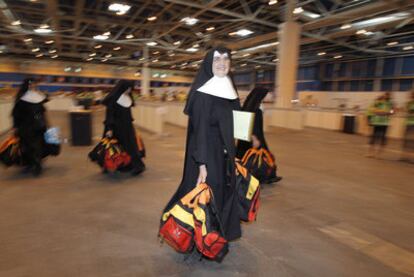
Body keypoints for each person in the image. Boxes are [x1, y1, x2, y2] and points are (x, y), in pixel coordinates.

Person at [162, 47, 242, 242]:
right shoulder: (203, 93)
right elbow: (200, 132)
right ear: (209, 64)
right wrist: (202, 165)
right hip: (207, 154)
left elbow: (237, 122)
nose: (222, 62)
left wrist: (236, 151)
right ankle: (202, 237)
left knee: (221, 191)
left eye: (226, 58)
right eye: (217, 59)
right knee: (207, 195)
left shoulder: (230, 88)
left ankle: (217, 232)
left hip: (224, 154)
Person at [236, 87, 282, 183]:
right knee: (263, 157)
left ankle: (245, 175)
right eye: (263, 96)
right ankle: (265, 176)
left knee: (246, 158)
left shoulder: (246, 107)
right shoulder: (256, 110)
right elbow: (254, 126)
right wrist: (255, 138)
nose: (264, 98)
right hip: (255, 137)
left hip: (245, 139)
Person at [101, 80, 145, 175]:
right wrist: (109, 128)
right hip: (115, 127)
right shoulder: (113, 98)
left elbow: (128, 114)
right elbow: (110, 115)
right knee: (112, 148)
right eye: (128, 88)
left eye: (131, 89)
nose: (129, 90)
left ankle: (136, 166)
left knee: (130, 146)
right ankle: (108, 166)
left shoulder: (128, 97)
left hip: (127, 127)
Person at [12, 78, 48, 176]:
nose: (33, 86)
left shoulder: (37, 96)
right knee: (26, 146)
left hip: (37, 126)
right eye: (31, 84)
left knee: (36, 146)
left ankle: (37, 165)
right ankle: (31, 163)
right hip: (25, 127)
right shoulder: (21, 98)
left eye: (34, 84)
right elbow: (16, 114)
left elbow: (44, 104)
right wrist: (15, 127)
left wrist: (39, 92)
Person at [367, 92, 394, 158]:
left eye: (388, 96)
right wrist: (385, 112)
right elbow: (373, 110)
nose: (386, 97)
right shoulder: (378, 102)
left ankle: (378, 154)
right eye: (386, 95)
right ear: (384, 96)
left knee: (382, 139)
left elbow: (392, 111)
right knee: (373, 137)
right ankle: (370, 153)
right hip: (376, 122)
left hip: (385, 123)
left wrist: (387, 112)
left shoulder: (390, 103)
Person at [401, 90, 414, 162]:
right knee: (406, 140)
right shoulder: (409, 103)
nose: (410, 96)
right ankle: (404, 156)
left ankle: (411, 157)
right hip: (408, 123)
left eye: (411, 95)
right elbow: (406, 110)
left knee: (412, 141)